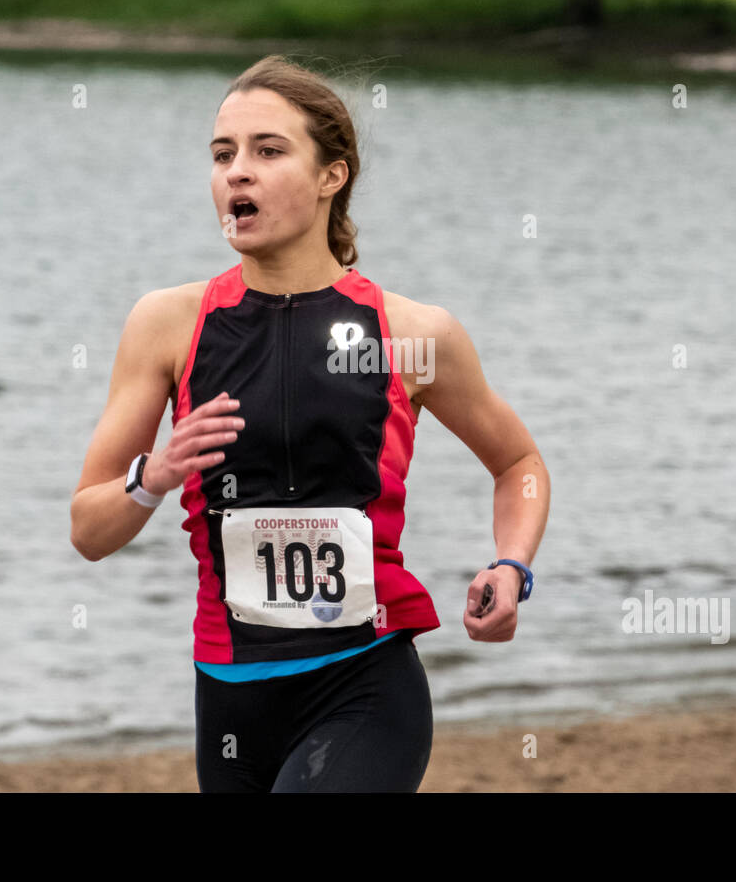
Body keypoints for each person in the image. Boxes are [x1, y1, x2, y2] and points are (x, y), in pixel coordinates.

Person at [70, 55, 550, 792]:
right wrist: (154, 476)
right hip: (229, 695)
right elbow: (88, 531)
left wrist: (511, 566)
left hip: (364, 683)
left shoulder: (409, 333)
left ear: (333, 175)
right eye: (223, 155)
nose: (238, 173)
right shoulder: (166, 325)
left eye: (269, 151)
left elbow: (518, 465)